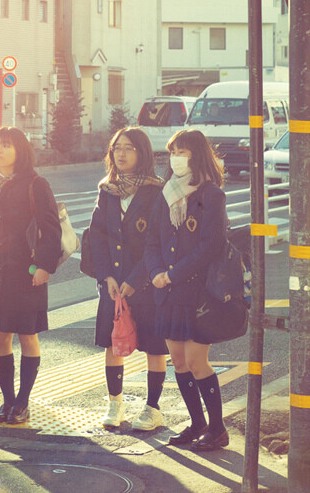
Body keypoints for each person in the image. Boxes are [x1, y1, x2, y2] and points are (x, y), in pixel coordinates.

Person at [0, 127, 62, 426]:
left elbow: (52, 230)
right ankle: (7, 401)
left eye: (5, 146)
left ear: (20, 150)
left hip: (26, 274)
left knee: (27, 336)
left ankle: (23, 402)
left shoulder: (35, 184)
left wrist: (44, 266)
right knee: (0, 337)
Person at [145, 128, 230, 451]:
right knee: (178, 361)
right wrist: (155, 272)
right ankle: (197, 424)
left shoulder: (211, 195)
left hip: (198, 292)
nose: (175, 159)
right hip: (168, 291)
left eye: (182, 152)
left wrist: (172, 274)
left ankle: (217, 429)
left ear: (197, 154)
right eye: (172, 152)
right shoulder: (166, 193)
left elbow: (210, 246)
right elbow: (152, 240)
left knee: (197, 361)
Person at [87, 127, 169, 430]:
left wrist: (136, 278)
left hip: (145, 281)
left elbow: (156, 239)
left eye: (129, 148)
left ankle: (152, 408)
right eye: (116, 148)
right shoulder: (107, 189)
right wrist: (106, 275)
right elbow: (98, 235)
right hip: (113, 282)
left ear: (142, 153)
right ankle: (115, 404)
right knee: (113, 341)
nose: (121, 154)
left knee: (153, 345)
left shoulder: (156, 191)